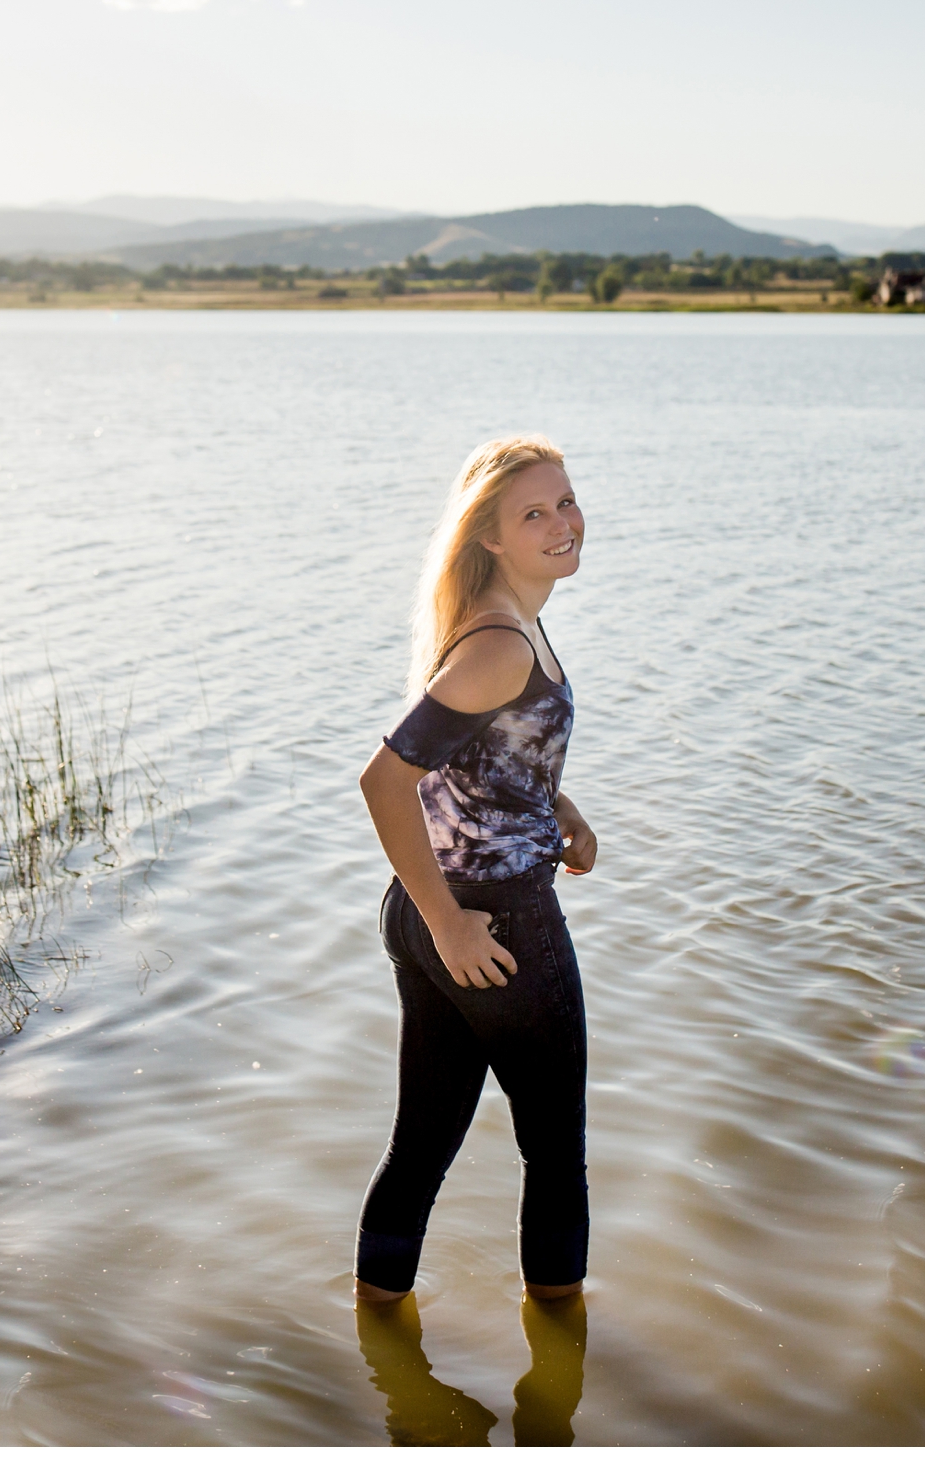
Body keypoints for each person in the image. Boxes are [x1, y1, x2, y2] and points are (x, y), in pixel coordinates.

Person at [354, 434, 598, 1310]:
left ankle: (379, 1325)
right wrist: (452, 924)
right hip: (495, 930)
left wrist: (557, 809)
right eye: (534, 512)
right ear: (489, 535)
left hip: (438, 917)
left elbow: (481, 764)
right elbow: (386, 781)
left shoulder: (507, 618)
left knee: (420, 1146)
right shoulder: (500, 642)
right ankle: (561, 1378)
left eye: (566, 501)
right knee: (555, 1156)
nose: (563, 522)